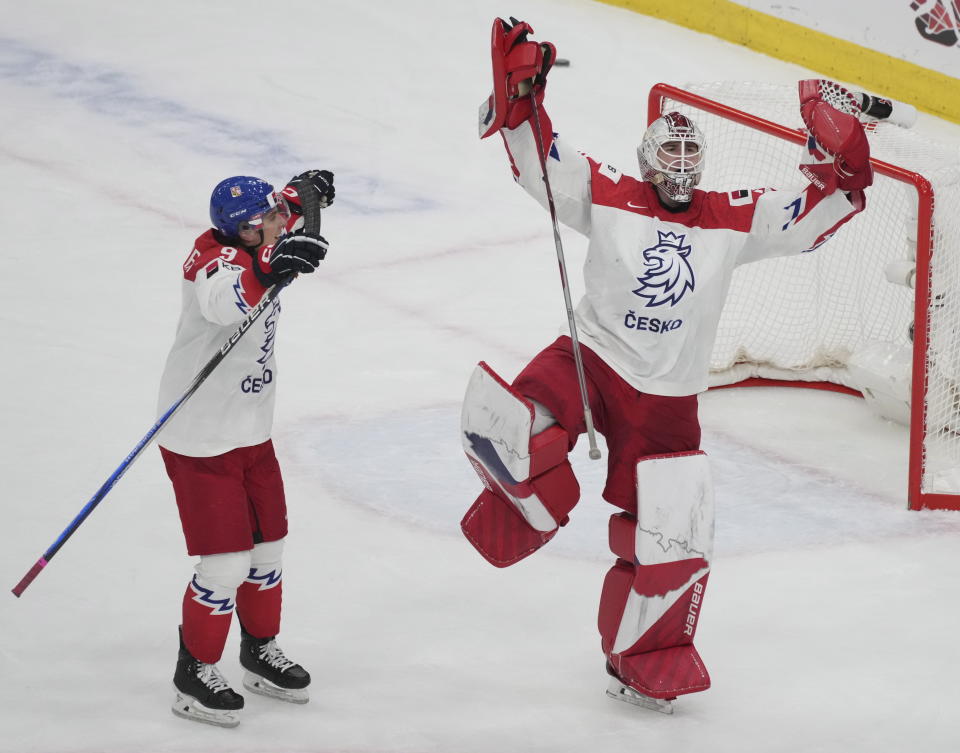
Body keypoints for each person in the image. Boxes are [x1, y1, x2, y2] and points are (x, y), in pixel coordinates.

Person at [460, 18, 873, 713]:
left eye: (691, 148)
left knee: (674, 533)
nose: (681, 159)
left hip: (670, 397)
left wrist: (844, 161)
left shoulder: (729, 216)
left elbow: (819, 210)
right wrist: (522, 95)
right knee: (524, 432)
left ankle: (643, 651)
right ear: (647, 155)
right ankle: (517, 503)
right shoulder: (612, 190)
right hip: (592, 359)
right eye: (670, 147)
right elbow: (540, 164)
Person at [156, 169, 334, 727]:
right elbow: (223, 301)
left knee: (268, 549)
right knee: (226, 562)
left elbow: (284, 210)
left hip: (252, 431)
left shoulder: (259, 229)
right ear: (244, 233)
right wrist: (270, 266)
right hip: (202, 439)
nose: (281, 224)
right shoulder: (216, 261)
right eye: (270, 223)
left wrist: (306, 194)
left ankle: (259, 652)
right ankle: (193, 673)